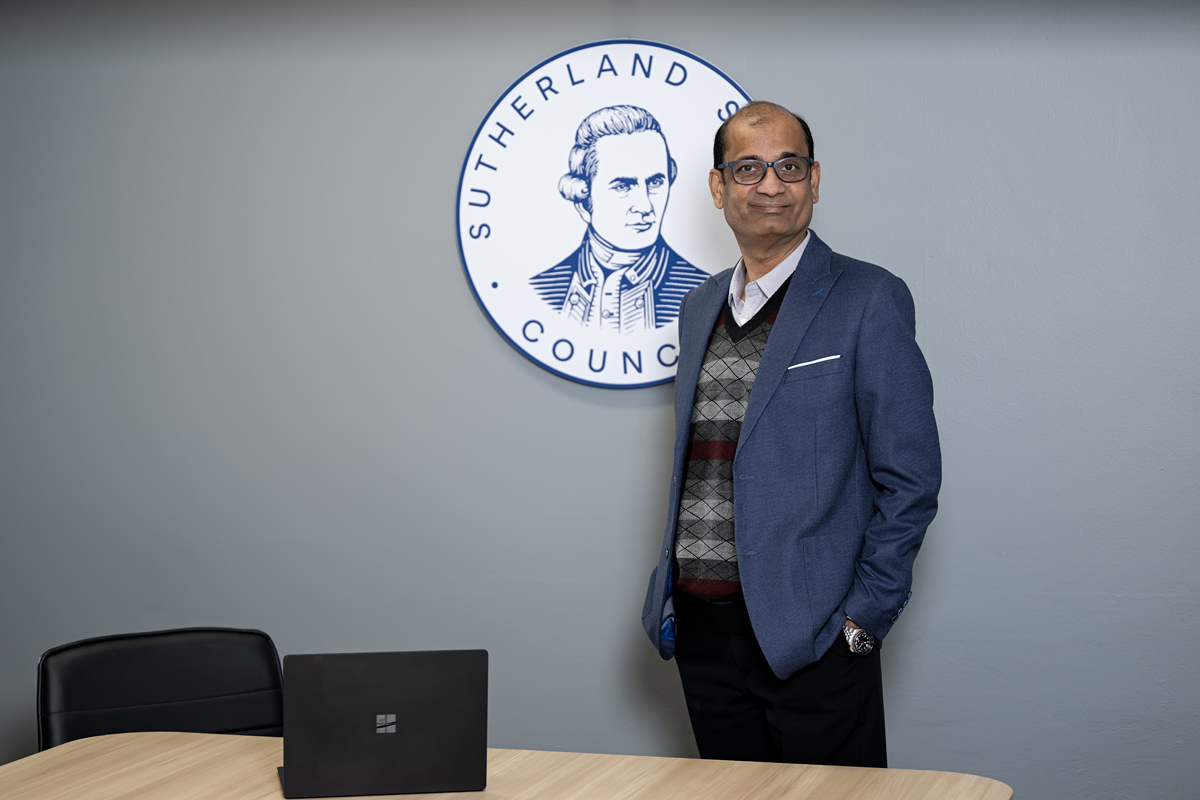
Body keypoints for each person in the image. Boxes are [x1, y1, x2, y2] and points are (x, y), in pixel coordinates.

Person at [641, 101, 941, 767]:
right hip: (702, 635)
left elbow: (910, 480)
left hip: (813, 638)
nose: (770, 185)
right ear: (718, 187)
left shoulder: (869, 298)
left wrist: (861, 623)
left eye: (788, 166)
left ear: (814, 180)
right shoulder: (697, 307)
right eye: (748, 168)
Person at [530, 105, 709, 333]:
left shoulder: (705, 295)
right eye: (623, 186)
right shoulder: (544, 289)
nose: (645, 206)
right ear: (583, 198)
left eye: (655, 182)